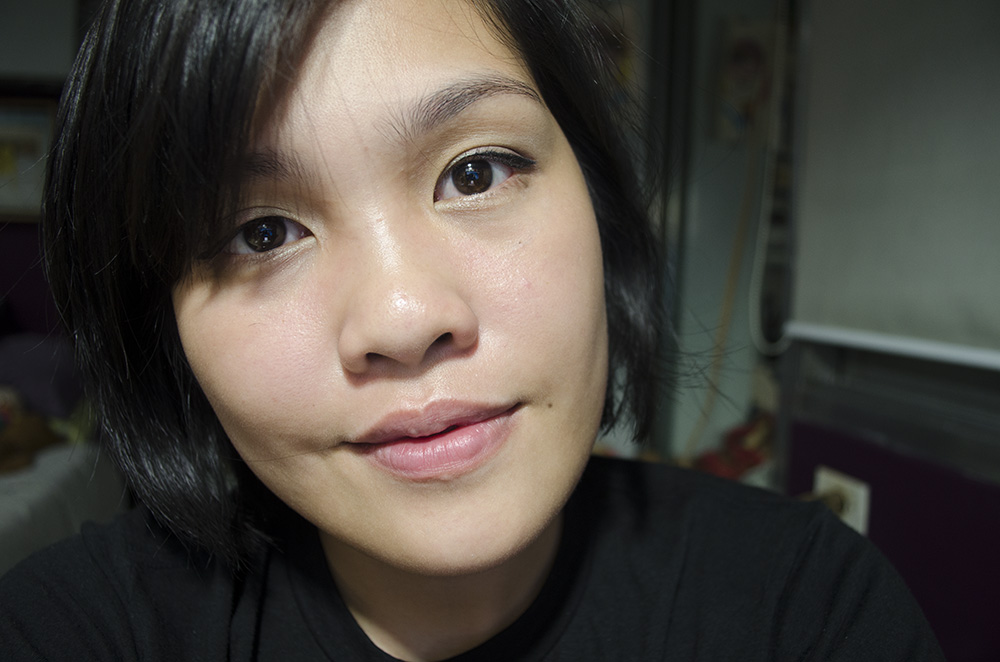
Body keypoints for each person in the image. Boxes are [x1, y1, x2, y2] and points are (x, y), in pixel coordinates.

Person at [0, 0, 943, 659]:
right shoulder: (69, 631)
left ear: (598, 199)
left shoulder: (804, 610)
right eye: (263, 234)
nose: (405, 320)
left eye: (475, 172)